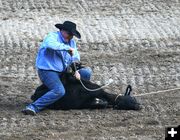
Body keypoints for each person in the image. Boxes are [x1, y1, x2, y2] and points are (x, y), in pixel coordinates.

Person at [22, 21, 92, 115]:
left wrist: (75, 69)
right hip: (47, 71)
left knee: (86, 73)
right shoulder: (52, 37)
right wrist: (66, 48)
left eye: (72, 35)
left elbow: (75, 57)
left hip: (63, 71)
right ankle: (33, 107)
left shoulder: (71, 43)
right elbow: (51, 45)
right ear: (62, 30)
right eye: (69, 34)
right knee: (59, 91)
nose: (71, 37)